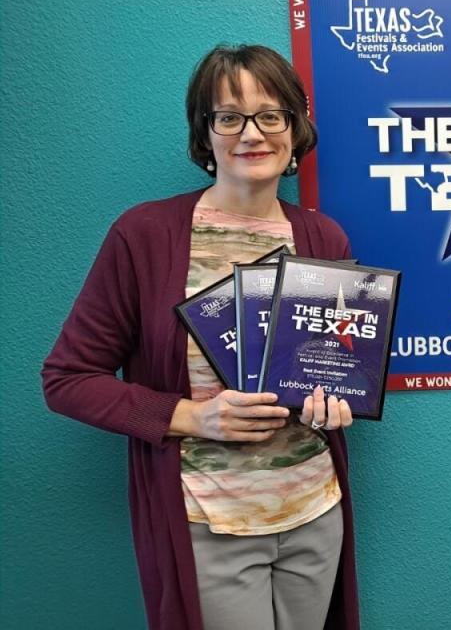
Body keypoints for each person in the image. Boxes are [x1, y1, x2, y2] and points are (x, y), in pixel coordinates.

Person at [42, 45, 360, 630]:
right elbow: (67, 381)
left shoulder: (322, 236)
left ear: (294, 127)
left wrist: (332, 404)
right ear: (205, 133)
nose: (252, 133)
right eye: (229, 117)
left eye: (271, 115)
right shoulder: (145, 235)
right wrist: (193, 417)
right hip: (208, 519)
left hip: (315, 510)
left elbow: (333, 364)